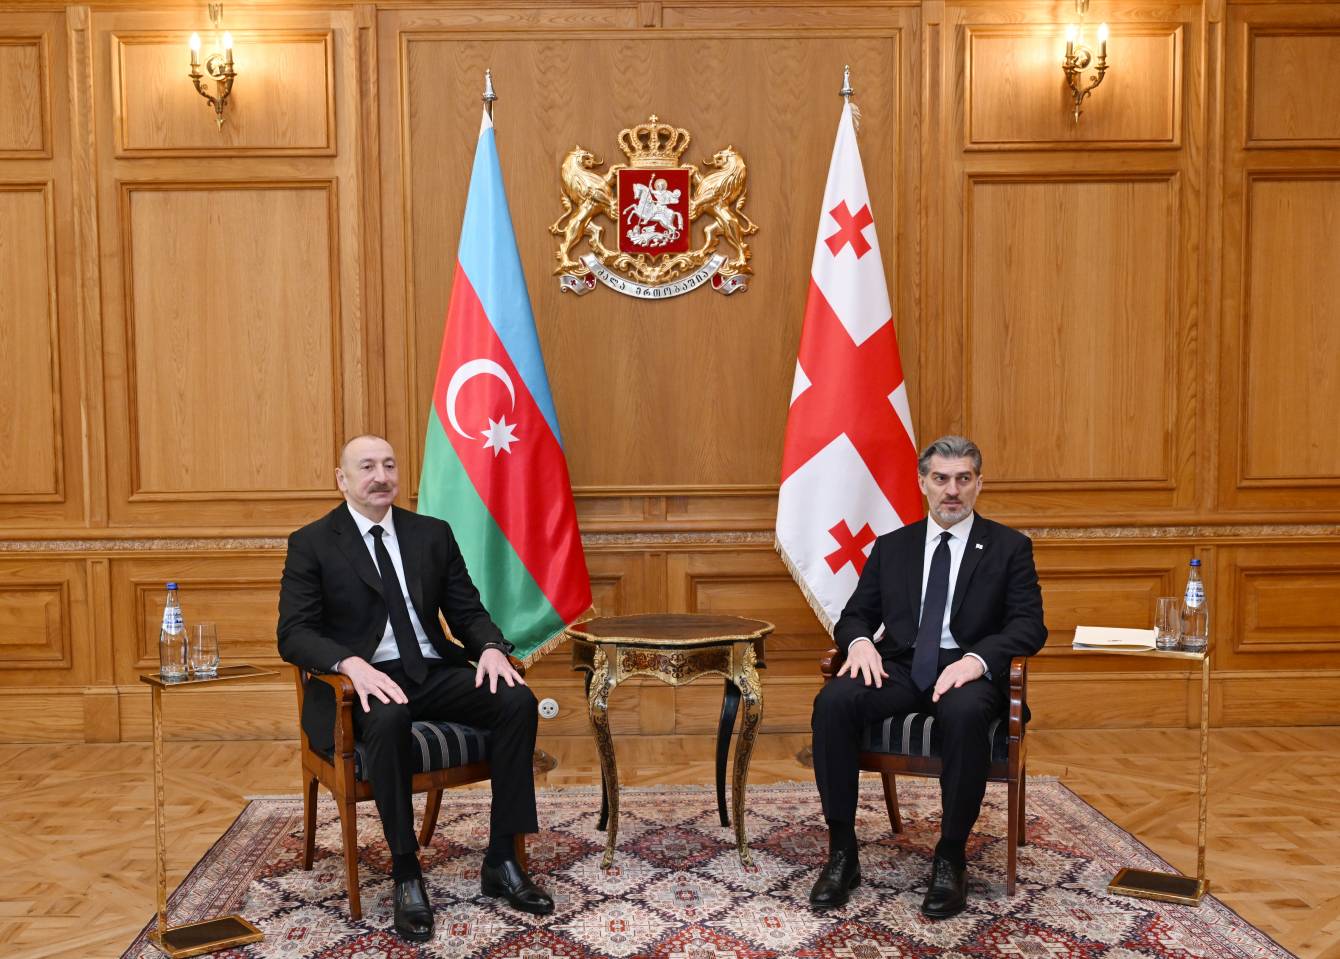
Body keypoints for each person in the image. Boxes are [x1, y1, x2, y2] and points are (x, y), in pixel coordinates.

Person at [277, 435, 552, 943]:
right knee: (390, 718)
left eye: (388, 465)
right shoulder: (312, 542)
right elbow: (294, 633)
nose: (380, 476)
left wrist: (491, 647)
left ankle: (502, 858)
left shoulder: (430, 534)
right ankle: (406, 871)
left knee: (515, 699)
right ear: (342, 480)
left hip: (430, 670)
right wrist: (349, 664)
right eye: (366, 467)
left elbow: (466, 611)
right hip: (362, 683)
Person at [808, 435, 1046, 917]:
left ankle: (950, 856)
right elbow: (855, 615)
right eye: (941, 479)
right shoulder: (893, 547)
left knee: (964, 714)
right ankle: (842, 853)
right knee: (833, 702)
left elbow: (1029, 625)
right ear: (923, 483)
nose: (951, 490)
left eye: (963, 479)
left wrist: (977, 661)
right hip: (900, 666)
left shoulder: (1009, 547)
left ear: (979, 484)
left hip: (967, 672)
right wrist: (859, 644)